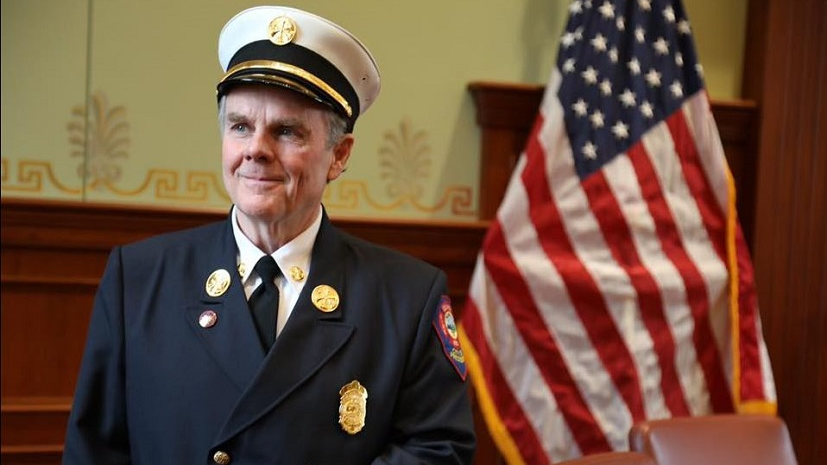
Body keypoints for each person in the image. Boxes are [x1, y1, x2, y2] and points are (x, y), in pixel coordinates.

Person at [62, 5, 476, 465]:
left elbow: (439, 451)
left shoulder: (408, 298)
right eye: (240, 126)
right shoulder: (137, 280)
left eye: (286, 131)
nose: (256, 150)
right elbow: (93, 451)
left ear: (339, 155)